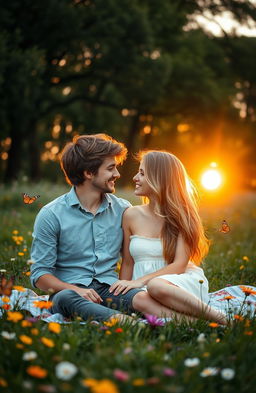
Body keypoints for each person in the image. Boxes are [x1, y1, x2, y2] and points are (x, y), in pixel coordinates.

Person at [30, 134, 182, 323]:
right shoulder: (51, 215)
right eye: (111, 168)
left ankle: (189, 322)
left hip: (109, 289)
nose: (117, 174)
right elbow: (39, 274)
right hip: (70, 291)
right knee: (65, 299)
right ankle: (126, 323)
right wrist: (76, 289)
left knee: (141, 297)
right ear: (88, 173)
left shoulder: (123, 209)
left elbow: (131, 257)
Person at [110, 150, 227, 324]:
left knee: (156, 285)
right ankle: (200, 323)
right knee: (145, 295)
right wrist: (123, 290)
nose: (135, 177)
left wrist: (140, 282)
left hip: (177, 285)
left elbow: (179, 265)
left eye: (142, 173)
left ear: (160, 179)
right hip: (143, 288)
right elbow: (128, 262)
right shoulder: (130, 215)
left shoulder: (184, 216)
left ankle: (221, 317)